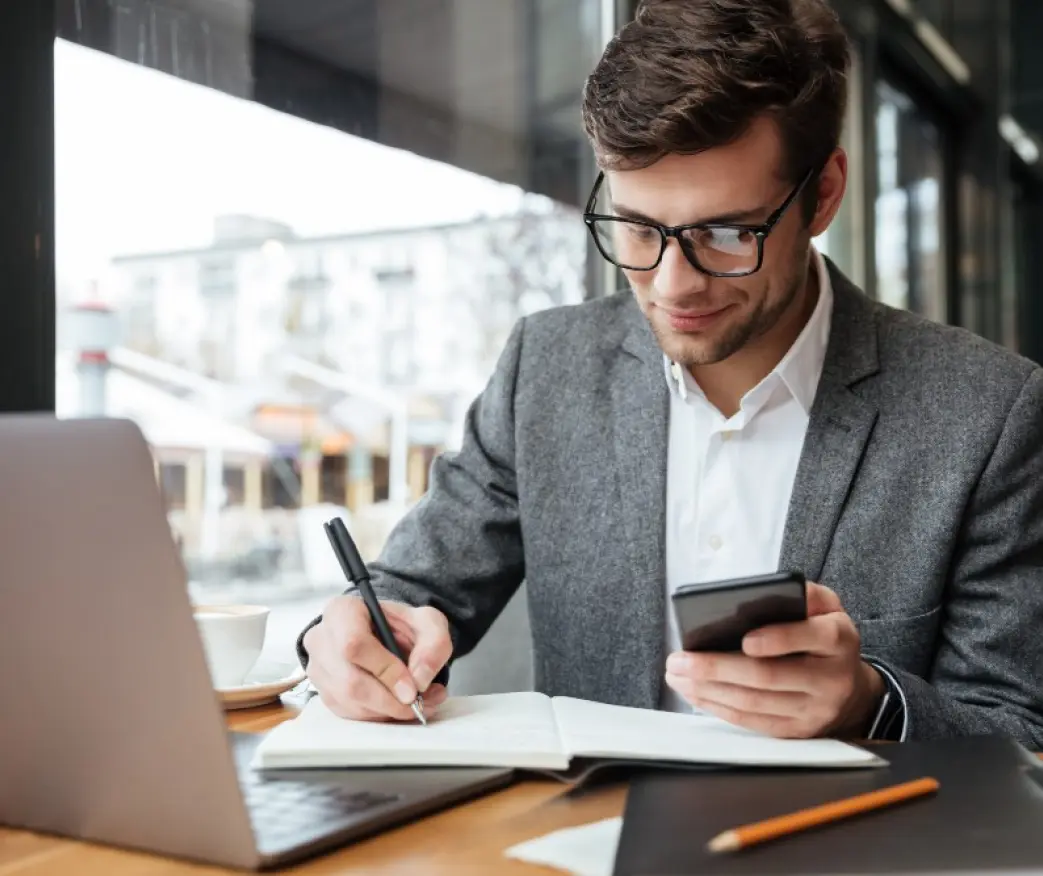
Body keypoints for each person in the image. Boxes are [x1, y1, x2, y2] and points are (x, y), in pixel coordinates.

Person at [297, 0, 1043, 744]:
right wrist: (350, 641)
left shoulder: (986, 413)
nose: (673, 283)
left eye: (725, 232)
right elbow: (408, 595)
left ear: (822, 194)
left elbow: (1021, 737)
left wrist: (867, 703)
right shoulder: (545, 370)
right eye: (636, 227)